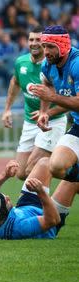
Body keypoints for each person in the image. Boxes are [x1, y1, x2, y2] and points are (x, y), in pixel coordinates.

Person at [1, 26, 67, 180]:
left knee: (33, 170)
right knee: (21, 173)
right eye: (31, 39)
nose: (34, 43)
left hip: (52, 122)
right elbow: (15, 82)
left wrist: (47, 113)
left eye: (39, 40)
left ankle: (44, 200)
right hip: (30, 121)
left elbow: (67, 98)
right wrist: (7, 109)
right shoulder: (20, 62)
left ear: (45, 43)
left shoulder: (54, 65)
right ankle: (63, 165)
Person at [30, 25, 79, 182]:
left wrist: (51, 97)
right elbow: (47, 84)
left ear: (63, 46)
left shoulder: (77, 64)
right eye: (44, 46)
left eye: (51, 46)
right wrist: (45, 113)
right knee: (56, 166)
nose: (45, 51)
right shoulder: (48, 64)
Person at [0, 158, 61, 239]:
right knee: (73, 183)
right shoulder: (17, 227)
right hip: (50, 219)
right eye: (7, 201)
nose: (8, 197)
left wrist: (5, 175)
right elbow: (53, 220)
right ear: (6, 213)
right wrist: (41, 192)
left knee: (44, 163)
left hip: (26, 207)